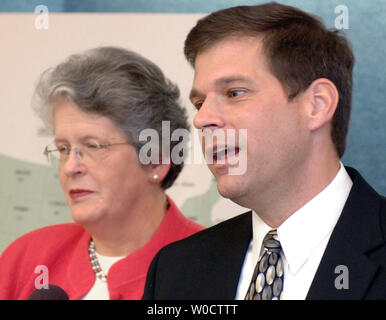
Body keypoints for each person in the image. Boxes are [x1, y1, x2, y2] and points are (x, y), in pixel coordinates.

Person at [143, 3, 386, 300]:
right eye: (199, 103)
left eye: (234, 93)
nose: (202, 119)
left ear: (317, 105)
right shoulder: (176, 270)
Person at [0, 46, 204, 300]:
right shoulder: (27, 258)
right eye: (64, 149)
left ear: (156, 161)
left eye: (93, 146)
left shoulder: (211, 266)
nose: (70, 167)